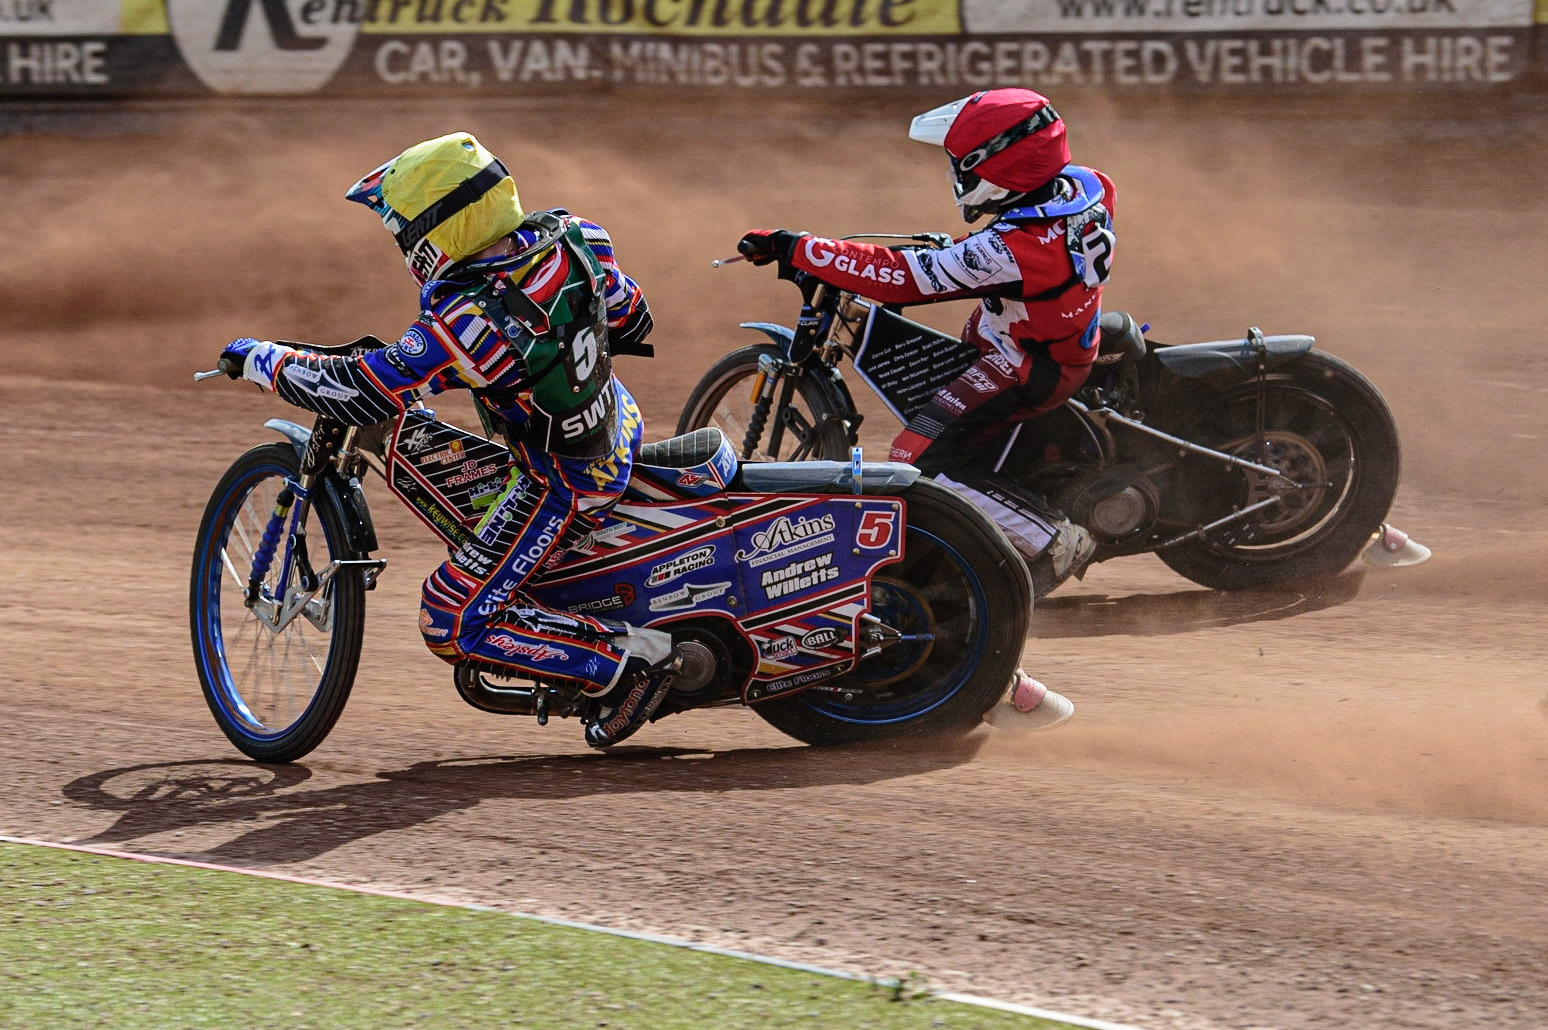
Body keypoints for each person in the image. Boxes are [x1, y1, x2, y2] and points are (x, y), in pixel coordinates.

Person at [218, 131, 676, 748]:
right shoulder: (576, 237)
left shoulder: (468, 318)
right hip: (616, 420)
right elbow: (631, 318)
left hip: (563, 478)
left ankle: (625, 667)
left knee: (450, 616)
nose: (403, 245)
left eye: (406, 231)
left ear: (440, 233)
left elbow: (361, 390)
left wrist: (261, 360)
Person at [738, 88, 1116, 606]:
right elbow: (1010, 244)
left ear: (999, 165)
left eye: (962, 164)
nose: (955, 175)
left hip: (1025, 366)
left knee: (915, 459)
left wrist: (797, 246)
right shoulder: (1088, 187)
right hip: (1054, 333)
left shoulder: (1017, 248)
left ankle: (1052, 538)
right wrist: (967, 250)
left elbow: (903, 280)